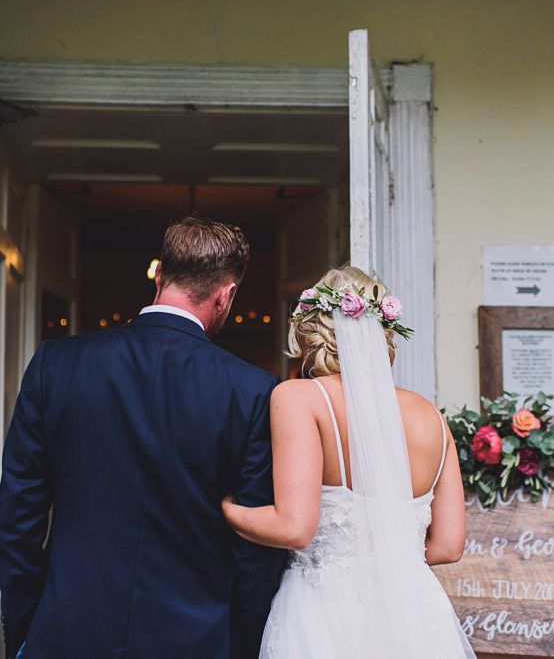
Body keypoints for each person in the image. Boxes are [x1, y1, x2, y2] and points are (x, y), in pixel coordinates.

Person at [0, 217, 286, 659]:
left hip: (65, 633)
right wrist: (241, 645)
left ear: (159, 275)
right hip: (195, 641)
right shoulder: (252, 391)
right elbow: (255, 554)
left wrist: (25, 628)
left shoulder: (56, 365)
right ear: (226, 295)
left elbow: (17, 517)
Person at [222, 266, 476, 658]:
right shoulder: (430, 416)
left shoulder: (299, 398)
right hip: (416, 615)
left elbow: (293, 528)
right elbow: (447, 546)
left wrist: (226, 511)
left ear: (310, 330)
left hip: (324, 611)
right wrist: (386, 551)